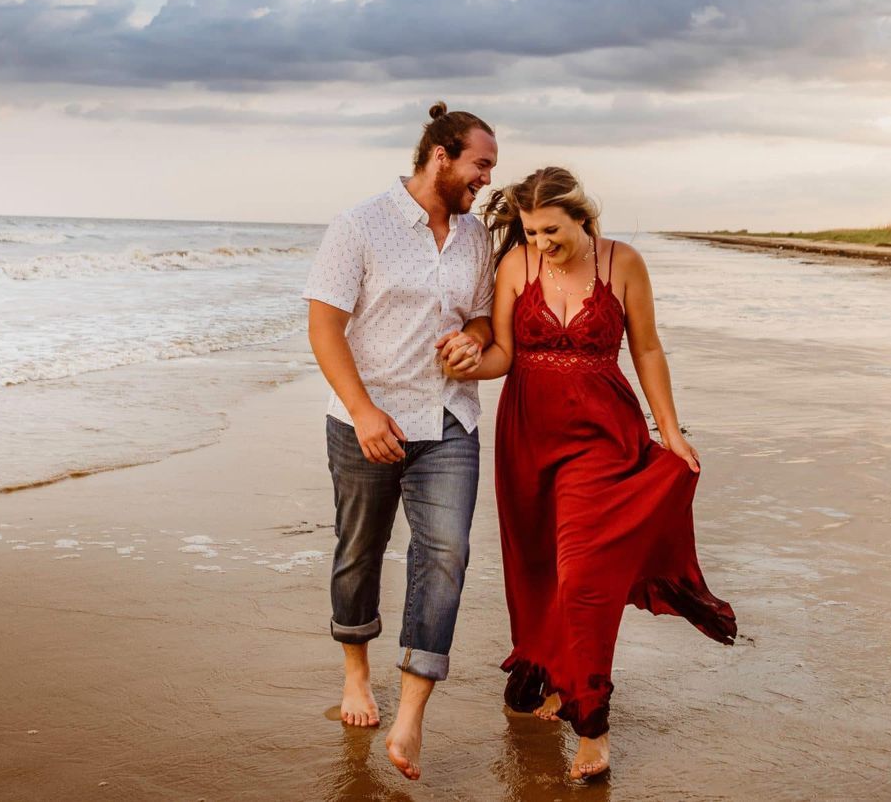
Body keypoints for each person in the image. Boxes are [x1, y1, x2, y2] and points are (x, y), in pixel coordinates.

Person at [450, 165, 736, 782]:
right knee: (537, 571)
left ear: (582, 216)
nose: (541, 244)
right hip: (528, 438)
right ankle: (557, 674)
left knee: (582, 576)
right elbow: (502, 353)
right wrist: (468, 362)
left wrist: (671, 429)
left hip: (603, 438)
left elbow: (647, 348)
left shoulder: (623, 263)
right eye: (529, 232)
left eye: (551, 230)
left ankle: (592, 725)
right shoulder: (515, 267)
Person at [302, 102, 499, 782]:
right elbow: (324, 326)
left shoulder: (475, 238)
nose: (486, 181)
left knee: (446, 554)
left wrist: (473, 341)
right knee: (358, 549)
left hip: (450, 421)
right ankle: (356, 674)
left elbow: (479, 315)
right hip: (369, 421)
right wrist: (362, 412)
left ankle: (412, 713)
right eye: (480, 165)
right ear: (440, 156)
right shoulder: (359, 225)